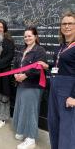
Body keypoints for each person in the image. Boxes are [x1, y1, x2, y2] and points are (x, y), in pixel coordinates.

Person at [39, 11, 75, 149]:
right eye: (64, 24)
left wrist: (73, 96)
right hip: (55, 87)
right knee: (54, 123)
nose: (67, 26)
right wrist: (47, 66)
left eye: (70, 23)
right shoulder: (62, 46)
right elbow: (59, 66)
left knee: (67, 127)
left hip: (68, 89)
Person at [12, 27, 46, 149]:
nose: (27, 38)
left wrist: (25, 75)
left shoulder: (40, 50)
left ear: (35, 37)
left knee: (30, 111)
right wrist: (15, 74)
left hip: (33, 85)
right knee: (21, 108)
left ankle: (31, 139)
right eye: (25, 36)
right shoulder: (22, 49)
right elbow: (16, 64)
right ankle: (22, 131)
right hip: (21, 84)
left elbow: (39, 69)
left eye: (30, 36)